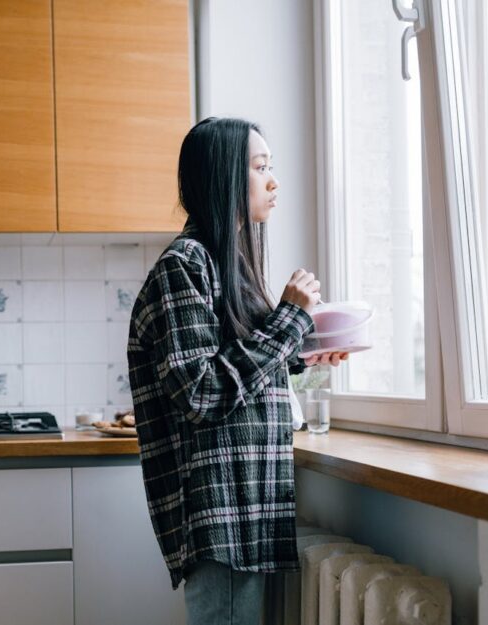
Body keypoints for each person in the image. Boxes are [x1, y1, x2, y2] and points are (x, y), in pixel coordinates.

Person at [127, 117, 348, 625]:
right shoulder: (184, 266)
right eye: (260, 167)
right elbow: (202, 394)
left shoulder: (230, 267)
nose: (274, 181)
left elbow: (244, 372)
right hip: (221, 514)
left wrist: (307, 357)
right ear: (223, 175)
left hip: (246, 509)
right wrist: (289, 318)